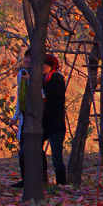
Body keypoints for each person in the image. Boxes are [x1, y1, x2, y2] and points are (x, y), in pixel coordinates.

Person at [11, 49, 46, 188]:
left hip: (37, 115)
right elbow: (21, 96)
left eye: (29, 58)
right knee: (23, 148)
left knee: (36, 148)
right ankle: (25, 179)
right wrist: (15, 116)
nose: (26, 60)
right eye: (25, 57)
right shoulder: (22, 73)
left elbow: (42, 94)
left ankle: (40, 179)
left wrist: (31, 81)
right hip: (25, 114)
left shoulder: (39, 74)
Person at [42, 54, 67, 185]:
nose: (41, 67)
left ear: (50, 66)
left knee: (57, 156)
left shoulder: (57, 78)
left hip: (56, 123)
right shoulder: (43, 78)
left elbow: (56, 99)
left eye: (44, 65)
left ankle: (62, 182)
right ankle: (42, 178)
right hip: (45, 123)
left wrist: (44, 97)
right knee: (36, 149)